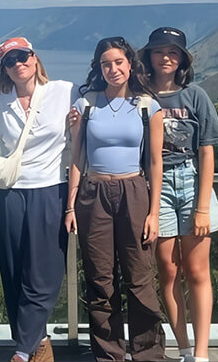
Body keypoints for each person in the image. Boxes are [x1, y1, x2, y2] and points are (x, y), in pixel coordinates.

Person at [0, 37, 77, 362]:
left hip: (51, 189)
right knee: (14, 270)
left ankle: (22, 350)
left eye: (22, 56)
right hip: (11, 193)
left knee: (43, 270)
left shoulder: (64, 91)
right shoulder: (1, 100)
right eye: (10, 60)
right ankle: (35, 343)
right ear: (5, 68)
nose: (18, 63)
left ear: (34, 57)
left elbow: (95, 113)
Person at [65, 36, 166, 362]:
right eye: (106, 64)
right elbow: (77, 157)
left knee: (139, 277)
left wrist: (154, 213)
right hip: (93, 195)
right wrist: (71, 205)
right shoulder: (86, 105)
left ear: (130, 64)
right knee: (100, 278)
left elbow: (154, 162)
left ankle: (147, 353)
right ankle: (109, 354)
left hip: (134, 191)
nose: (113, 69)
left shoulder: (148, 106)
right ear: (99, 67)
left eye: (118, 62)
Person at [139, 27, 218, 362]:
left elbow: (207, 152)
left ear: (182, 60)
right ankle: (184, 348)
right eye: (159, 51)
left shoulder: (196, 95)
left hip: (192, 183)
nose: (166, 58)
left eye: (173, 52)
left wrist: (202, 207)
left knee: (197, 270)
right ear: (148, 56)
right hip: (154, 186)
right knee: (168, 270)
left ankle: (202, 353)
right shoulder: (141, 97)